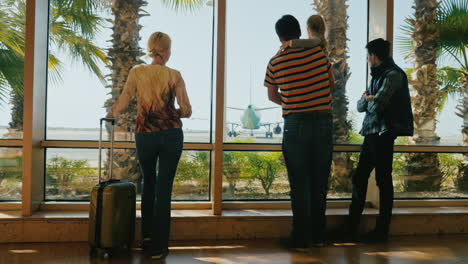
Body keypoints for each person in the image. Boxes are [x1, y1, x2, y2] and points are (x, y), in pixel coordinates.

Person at [106, 31, 192, 259]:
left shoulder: (137, 72)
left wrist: (111, 113)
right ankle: (159, 245)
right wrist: (169, 112)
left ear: (151, 49)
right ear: (166, 51)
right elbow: (187, 110)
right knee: (164, 190)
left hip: (144, 135)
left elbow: (123, 101)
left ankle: (146, 237)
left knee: (148, 184)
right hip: (171, 135)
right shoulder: (175, 75)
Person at [264, 14, 334, 251]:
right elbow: (331, 83)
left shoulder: (276, 61)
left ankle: (301, 238)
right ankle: (318, 235)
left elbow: (272, 95)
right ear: (299, 32)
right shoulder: (318, 53)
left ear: (279, 37)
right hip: (323, 121)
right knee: (319, 181)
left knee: (299, 183)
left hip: (295, 124)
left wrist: (292, 100)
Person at [347, 38, 413, 243]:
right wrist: (368, 99)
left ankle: (381, 231)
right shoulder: (378, 75)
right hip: (372, 134)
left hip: (384, 135)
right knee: (360, 178)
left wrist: (369, 99)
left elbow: (378, 104)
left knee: (383, 182)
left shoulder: (393, 75)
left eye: (368, 56)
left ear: (374, 56)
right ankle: (352, 228)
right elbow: (359, 106)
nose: (367, 60)